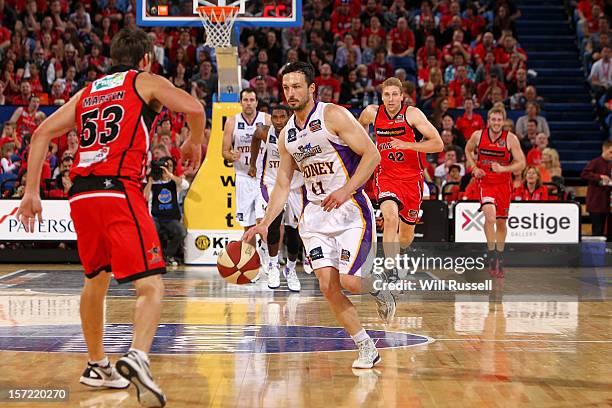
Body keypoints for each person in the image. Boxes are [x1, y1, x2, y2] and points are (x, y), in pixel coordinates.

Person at [16, 27, 204, 408]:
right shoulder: (144, 81)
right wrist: (193, 141)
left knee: (95, 278)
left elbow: (41, 134)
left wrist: (31, 191)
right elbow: (196, 109)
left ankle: (97, 365)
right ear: (146, 59)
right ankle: (137, 356)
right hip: (118, 188)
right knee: (151, 285)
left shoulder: (89, 91)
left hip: (82, 195)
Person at [243, 62, 395, 369]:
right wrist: (263, 224)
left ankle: (378, 288)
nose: (291, 93)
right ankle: (366, 346)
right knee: (328, 286)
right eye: (286, 87)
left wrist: (346, 190)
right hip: (314, 216)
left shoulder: (333, 115)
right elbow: (283, 184)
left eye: (297, 86)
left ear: (312, 88)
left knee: (351, 281)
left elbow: (372, 155)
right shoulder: (286, 135)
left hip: (350, 211)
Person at [358, 77, 443, 275]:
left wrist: (408, 145)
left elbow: (438, 144)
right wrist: (366, 148)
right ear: (381, 96)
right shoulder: (372, 112)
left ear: (402, 96)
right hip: (386, 175)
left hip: (412, 179)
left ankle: (398, 254)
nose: (391, 99)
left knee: (405, 237)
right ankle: (391, 270)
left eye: (395, 94)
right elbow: (359, 125)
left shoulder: (412, 114)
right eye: (386, 95)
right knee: (390, 217)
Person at [465, 106, 526, 278]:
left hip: (503, 185)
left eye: (499, 120)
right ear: (488, 120)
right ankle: (492, 254)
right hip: (485, 182)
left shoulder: (511, 139)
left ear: (504, 121)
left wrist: (503, 168)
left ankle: (499, 256)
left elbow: (521, 163)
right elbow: (468, 150)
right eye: (494, 119)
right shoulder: (478, 135)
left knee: (500, 222)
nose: (497, 123)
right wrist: (474, 167)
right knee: (490, 217)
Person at [249, 105, 303, 291]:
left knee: (293, 231)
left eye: (282, 117)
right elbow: (255, 137)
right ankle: (272, 266)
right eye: (275, 117)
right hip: (271, 183)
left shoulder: (299, 134)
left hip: (295, 187)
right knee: (273, 224)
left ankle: (290, 269)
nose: (278, 121)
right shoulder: (266, 131)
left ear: (289, 117)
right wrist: (252, 162)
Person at [221, 88, 270, 246]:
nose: (249, 103)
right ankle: (251, 261)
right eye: (245, 100)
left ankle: (268, 263)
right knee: (248, 226)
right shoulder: (232, 122)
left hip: (263, 178)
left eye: (251, 100)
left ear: (256, 102)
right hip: (243, 177)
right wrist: (231, 155)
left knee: (262, 222)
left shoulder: (267, 119)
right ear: (240, 102)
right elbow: (224, 152)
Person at [144, 156, 189, 267]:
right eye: (164, 166)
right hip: (156, 218)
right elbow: (144, 197)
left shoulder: (174, 181)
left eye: (169, 166)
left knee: (181, 232)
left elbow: (185, 185)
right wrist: (149, 181)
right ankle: (152, 258)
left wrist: (170, 175)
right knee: (150, 231)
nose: (166, 168)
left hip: (171, 219)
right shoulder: (153, 182)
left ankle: (166, 255)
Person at [581, 141, 612, 240]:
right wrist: (599, 176)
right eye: (611, 152)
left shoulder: (610, 164)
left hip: (607, 203)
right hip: (596, 203)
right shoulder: (595, 162)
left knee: (606, 230)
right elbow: (584, 174)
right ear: (604, 149)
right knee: (597, 230)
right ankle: (596, 252)